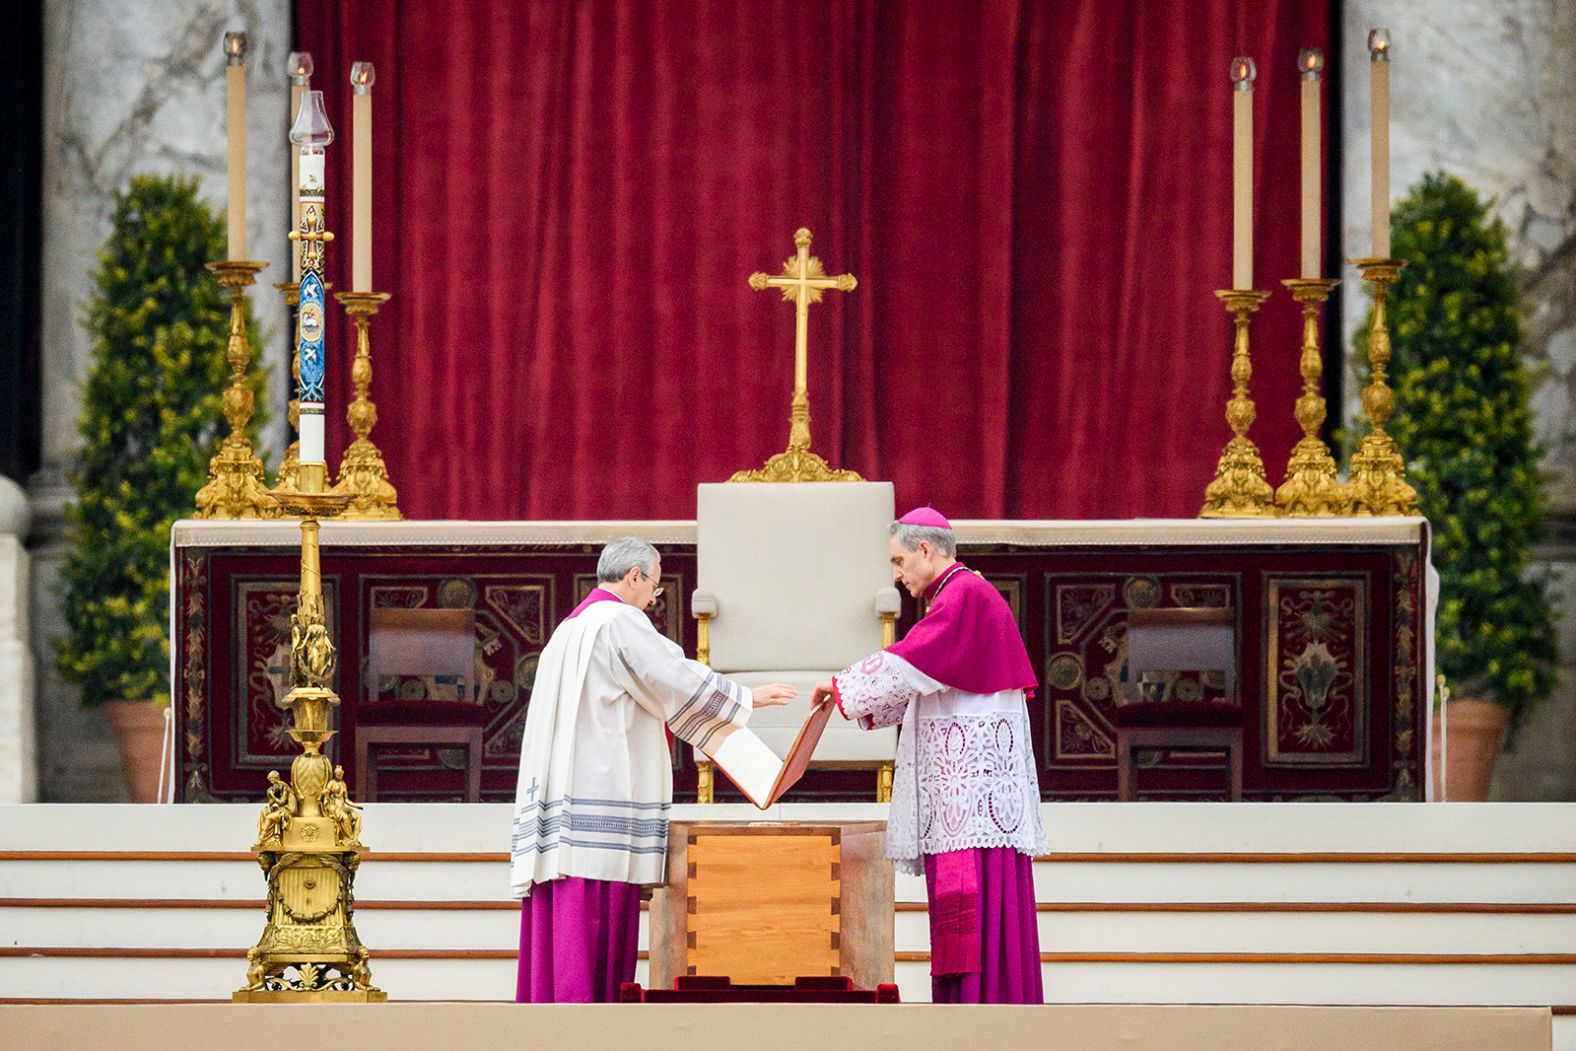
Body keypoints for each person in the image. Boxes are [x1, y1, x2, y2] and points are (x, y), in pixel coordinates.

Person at [510, 536, 794, 1002]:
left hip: (564, 797)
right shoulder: (621, 621)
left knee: (567, 907)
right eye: (654, 588)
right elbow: (671, 676)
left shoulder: (569, 627)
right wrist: (746, 697)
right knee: (594, 905)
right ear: (634, 576)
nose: (653, 599)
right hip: (602, 790)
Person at [812, 507, 1045, 1004]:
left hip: (972, 793)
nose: (896, 575)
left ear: (926, 549)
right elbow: (924, 676)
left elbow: (915, 660)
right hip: (962, 790)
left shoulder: (963, 594)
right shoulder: (959, 593)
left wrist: (842, 687)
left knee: (976, 905)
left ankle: (982, 1011)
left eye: (898, 561)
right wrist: (850, 697)